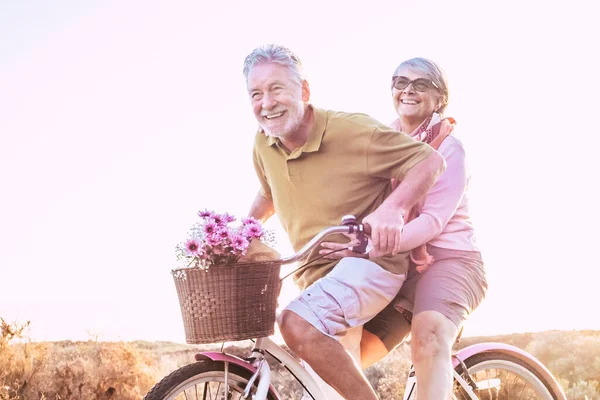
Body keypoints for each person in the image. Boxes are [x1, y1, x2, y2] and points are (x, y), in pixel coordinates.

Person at [244, 44, 446, 400]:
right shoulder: (264, 144)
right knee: (324, 394)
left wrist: (393, 209)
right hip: (315, 278)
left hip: (369, 264)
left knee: (295, 323)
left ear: (304, 92)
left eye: (277, 89)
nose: (266, 103)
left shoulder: (352, 131)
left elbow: (428, 162)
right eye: (256, 94)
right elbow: (269, 193)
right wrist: (240, 234)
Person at [320, 57, 488, 399]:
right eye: (400, 82)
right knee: (342, 341)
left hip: (450, 262)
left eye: (420, 84)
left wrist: (371, 246)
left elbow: (430, 223)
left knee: (427, 338)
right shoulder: (384, 140)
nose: (408, 90)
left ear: (439, 98)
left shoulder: (450, 149)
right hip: (397, 267)